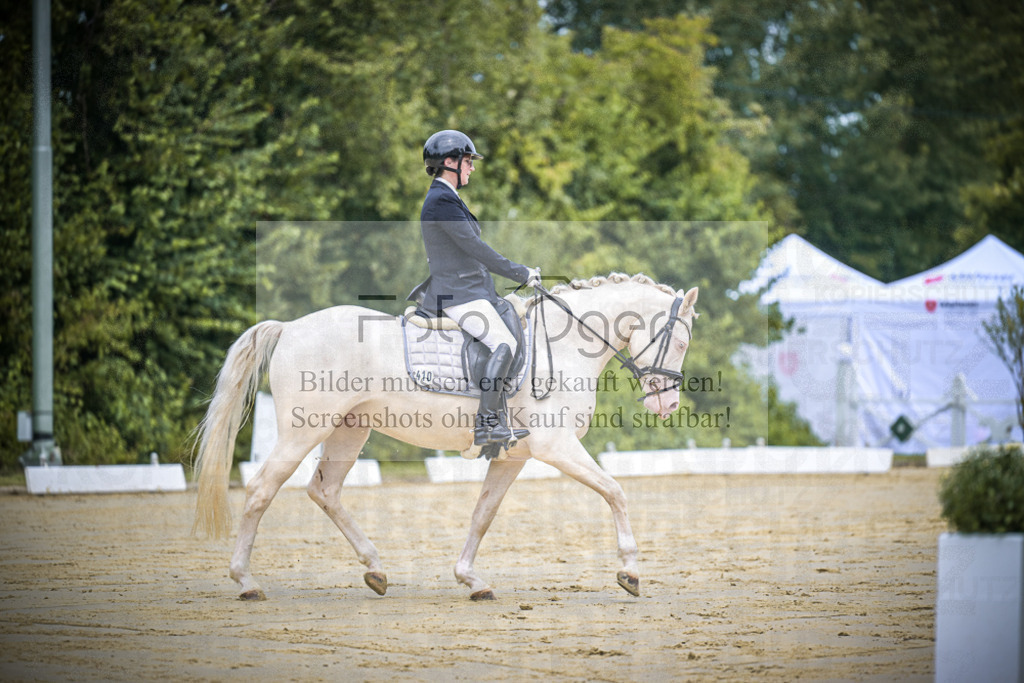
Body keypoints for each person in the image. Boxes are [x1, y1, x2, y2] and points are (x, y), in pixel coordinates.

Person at [411, 129, 540, 446]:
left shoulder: (447, 198)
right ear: (449, 162)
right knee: (504, 343)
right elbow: (475, 248)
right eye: (468, 161)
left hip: (469, 290)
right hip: (457, 294)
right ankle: (487, 424)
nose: (471, 167)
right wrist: (520, 272)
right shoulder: (441, 201)